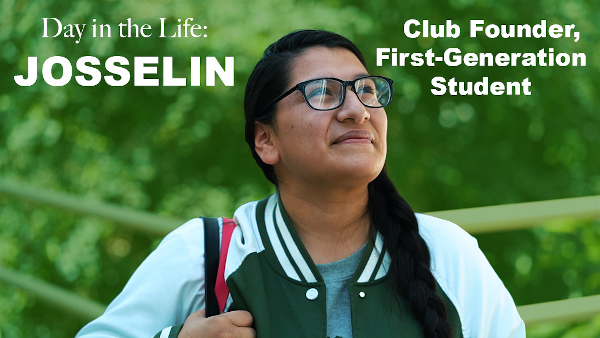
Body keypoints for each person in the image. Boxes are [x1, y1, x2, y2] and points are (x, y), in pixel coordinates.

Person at [76, 30, 525, 338]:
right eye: (324, 93)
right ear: (266, 140)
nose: (357, 110)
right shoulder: (207, 252)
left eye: (366, 90)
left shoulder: (448, 253)